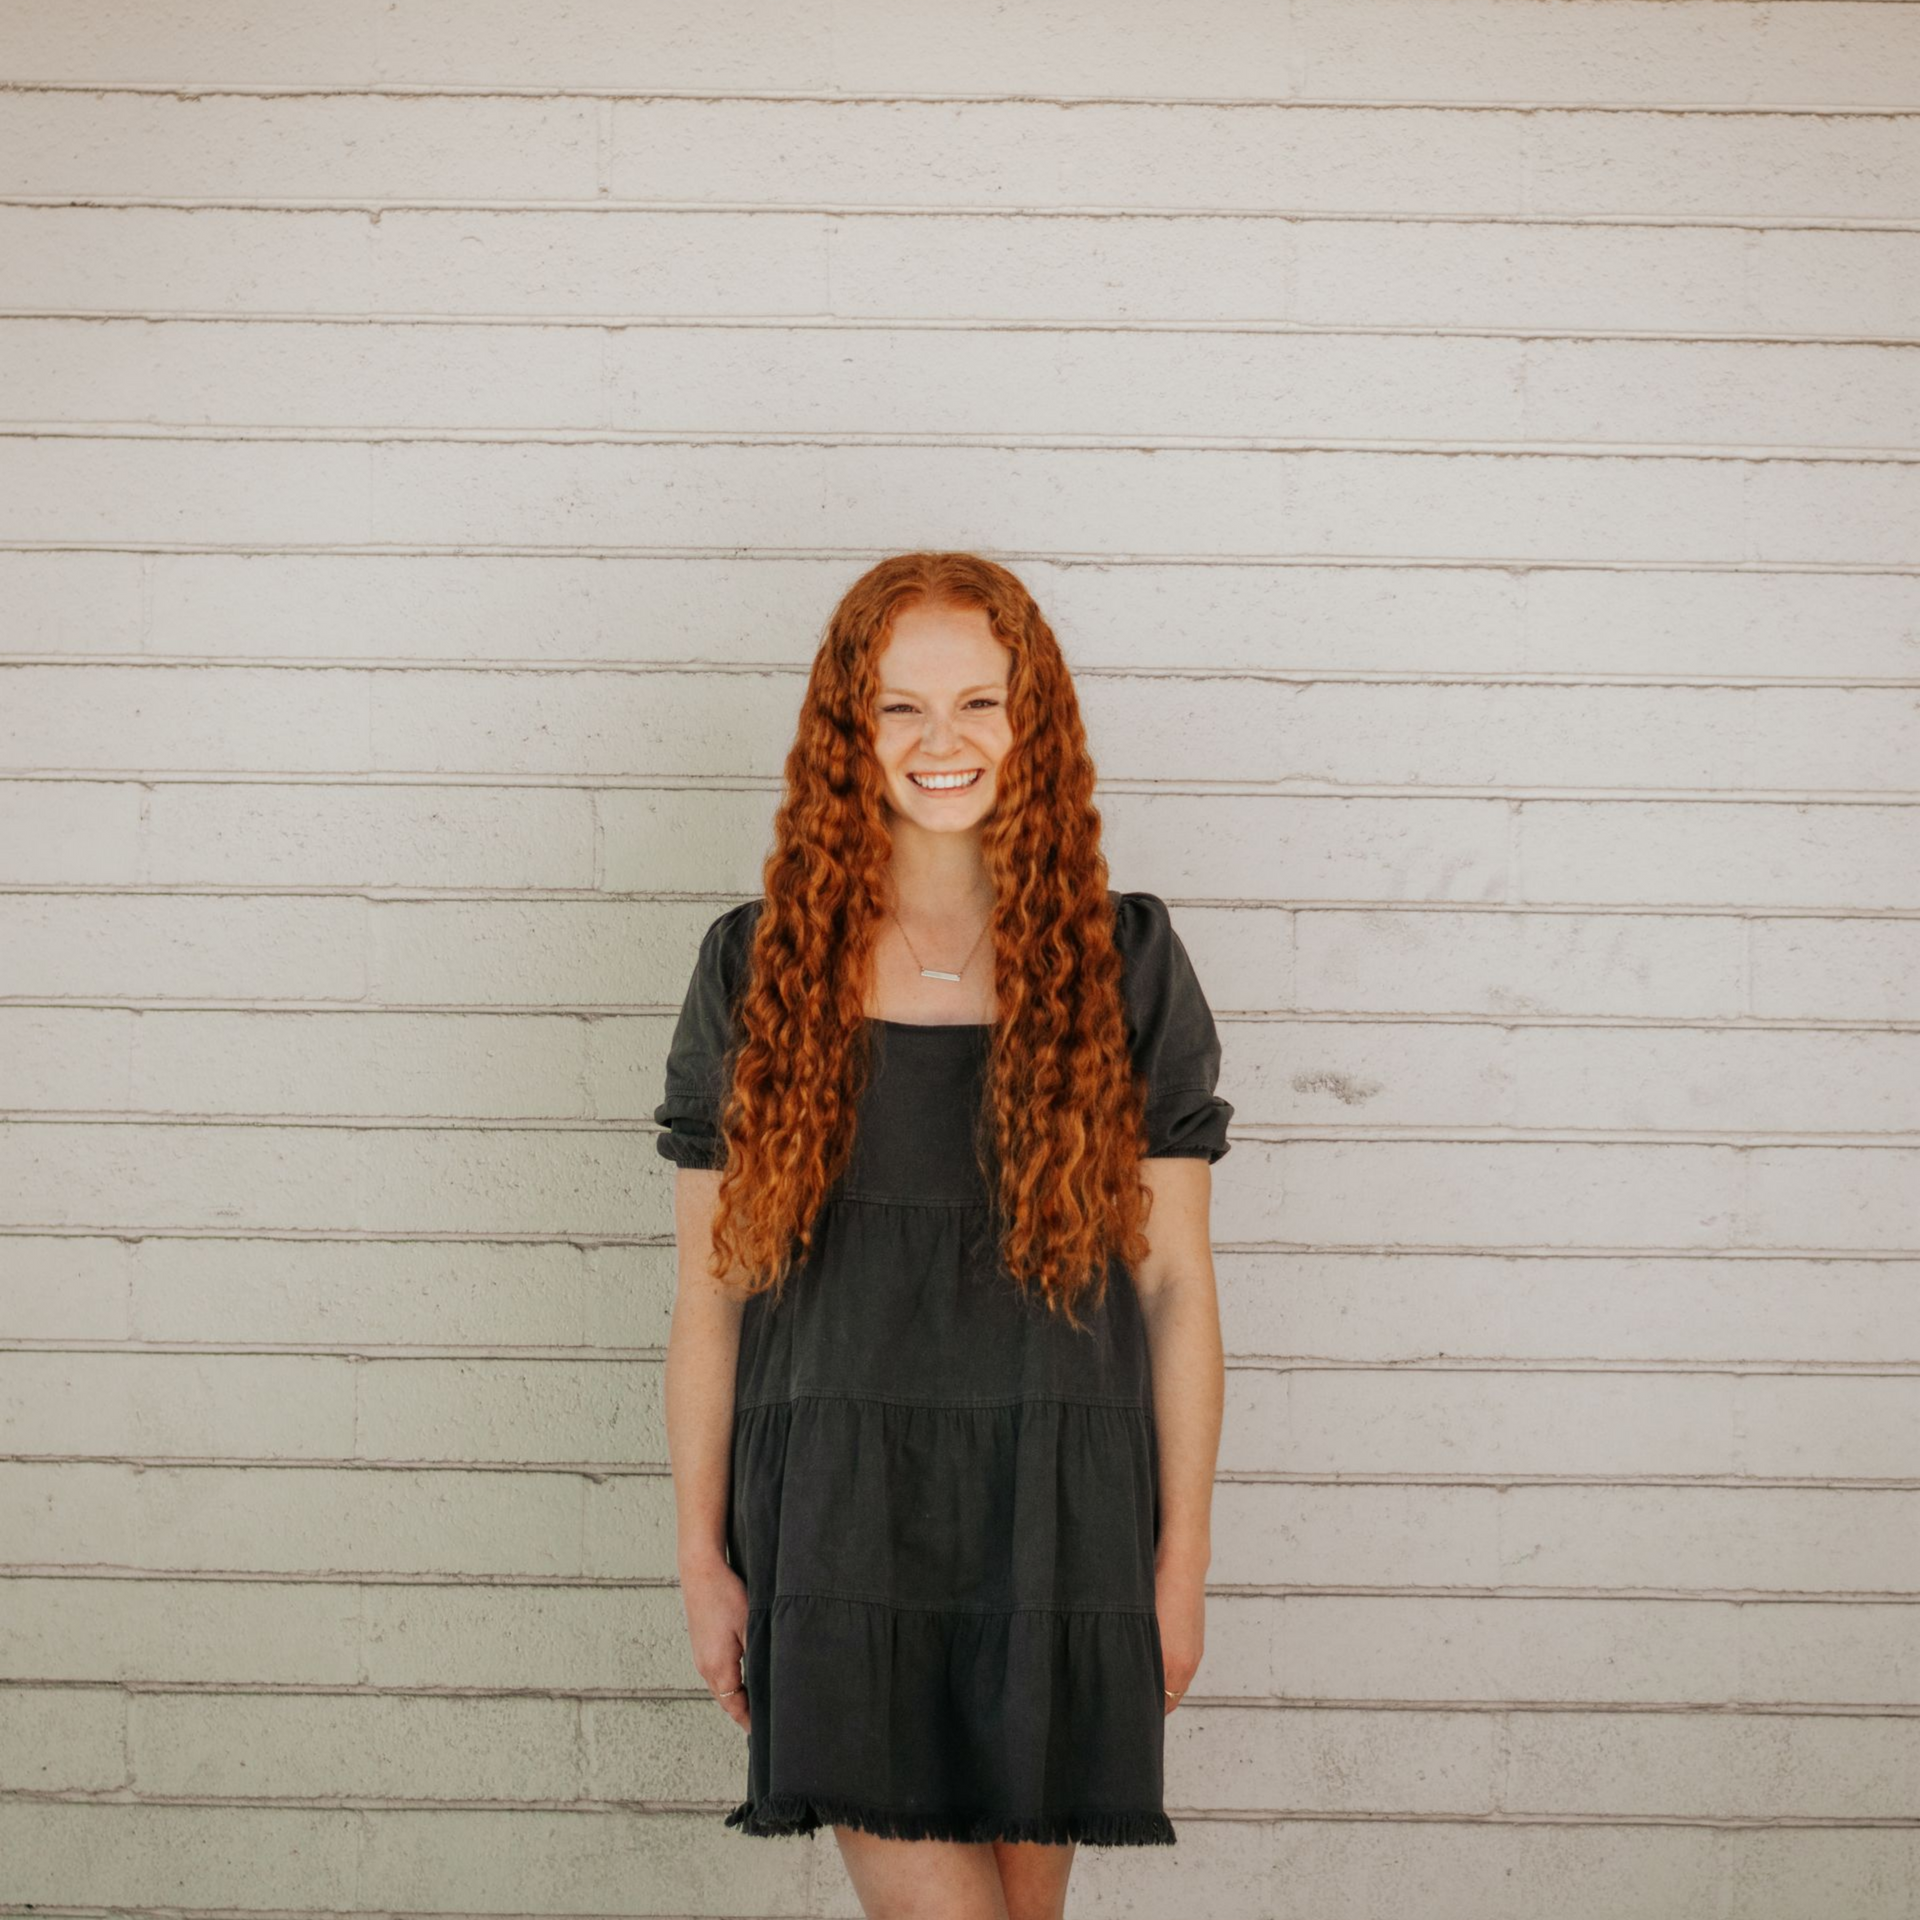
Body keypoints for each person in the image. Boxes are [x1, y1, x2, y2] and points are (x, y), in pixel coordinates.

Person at [659, 551, 1232, 1919]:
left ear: (1034, 724)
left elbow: (1175, 1289)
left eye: (979, 702)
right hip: (837, 1523)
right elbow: (710, 1299)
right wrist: (702, 1559)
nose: (942, 741)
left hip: (1057, 1518)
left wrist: (1179, 1563)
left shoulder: (1124, 964)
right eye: (900, 707)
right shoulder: (754, 968)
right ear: (845, 731)